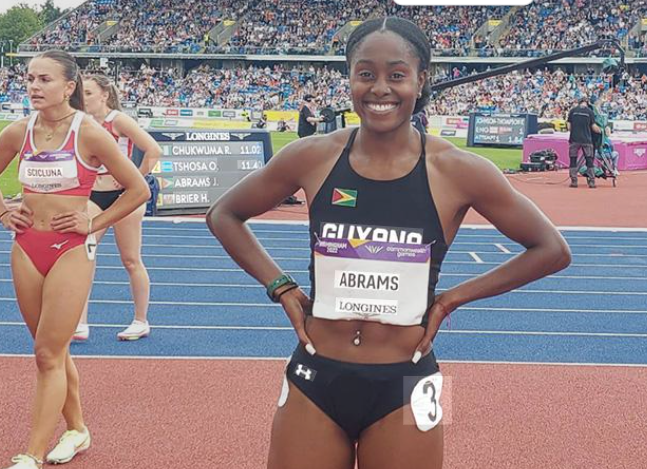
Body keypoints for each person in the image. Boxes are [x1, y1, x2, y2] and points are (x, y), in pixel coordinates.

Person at [206, 17, 571, 469]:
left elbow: (551, 249)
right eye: (366, 74)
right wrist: (280, 286)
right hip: (315, 372)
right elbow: (224, 214)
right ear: (350, 79)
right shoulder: (312, 156)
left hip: (407, 380)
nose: (380, 88)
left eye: (397, 74)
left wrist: (451, 299)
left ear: (421, 80)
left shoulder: (457, 170)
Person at [0, 50, 149, 469]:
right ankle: (77, 429)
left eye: (44, 79)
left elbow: (138, 189)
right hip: (26, 247)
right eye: (30, 78)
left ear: (69, 87)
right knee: (51, 350)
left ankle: (32, 455)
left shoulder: (89, 132)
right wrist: (3, 213)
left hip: (70, 249)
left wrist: (93, 223)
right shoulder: (18, 132)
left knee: (47, 353)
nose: (34, 86)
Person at [72, 73, 162, 342]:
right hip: (93, 196)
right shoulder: (81, 122)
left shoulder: (118, 120)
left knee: (130, 259)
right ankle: (80, 322)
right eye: (81, 93)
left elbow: (153, 150)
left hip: (125, 197)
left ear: (105, 95)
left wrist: (135, 180)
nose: (83, 98)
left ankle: (140, 321)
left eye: (88, 93)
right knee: (83, 253)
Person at [566, 96, 601, 188]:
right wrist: (600, 131)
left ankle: (574, 181)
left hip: (574, 139)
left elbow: (569, 126)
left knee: (573, 160)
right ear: (587, 103)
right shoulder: (590, 112)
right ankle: (592, 181)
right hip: (586, 140)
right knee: (589, 160)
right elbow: (594, 127)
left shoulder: (572, 111)